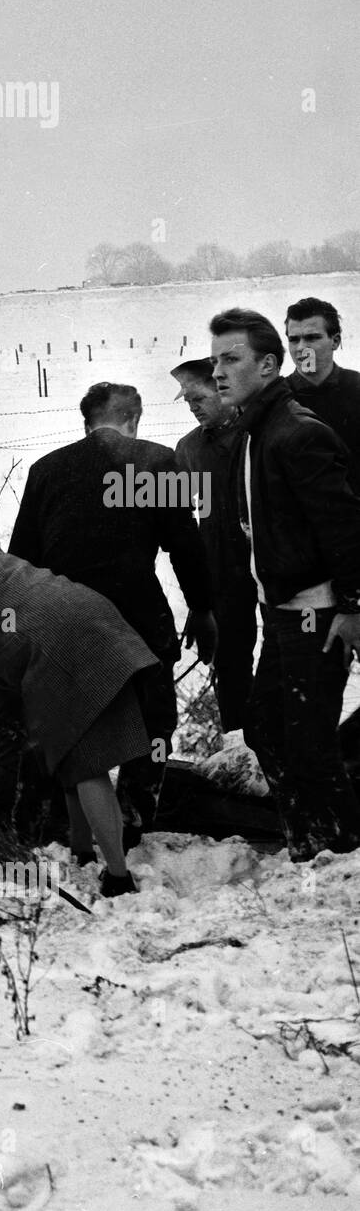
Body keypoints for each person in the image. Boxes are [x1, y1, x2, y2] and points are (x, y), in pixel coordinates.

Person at [8, 382, 216, 846]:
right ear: (134, 419)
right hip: (136, 618)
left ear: (85, 423)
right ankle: (132, 818)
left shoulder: (46, 470)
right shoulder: (159, 463)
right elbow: (186, 549)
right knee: (154, 721)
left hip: (65, 619)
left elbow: (22, 558)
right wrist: (202, 610)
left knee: (53, 721)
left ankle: (38, 824)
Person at [0, 522, 160, 896]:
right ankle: (83, 853)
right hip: (93, 623)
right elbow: (0, 632)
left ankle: (118, 877)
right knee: (75, 760)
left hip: (60, 646)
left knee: (87, 764)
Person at [210, 307, 360, 861]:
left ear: (270, 365)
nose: (218, 371)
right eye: (216, 359)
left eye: (232, 358)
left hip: (316, 613)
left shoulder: (296, 433)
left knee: (309, 738)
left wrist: (352, 606)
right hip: (281, 612)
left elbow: (345, 527)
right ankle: (307, 840)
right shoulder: (253, 431)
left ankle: (340, 851)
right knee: (267, 727)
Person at [172, 357, 258, 732]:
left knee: (286, 663)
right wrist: (199, 600)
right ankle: (238, 750)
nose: (193, 407)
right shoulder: (187, 449)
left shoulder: (255, 433)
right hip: (221, 575)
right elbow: (179, 520)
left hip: (272, 568)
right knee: (230, 667)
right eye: (187, 401)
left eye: (199, 398)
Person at [284, 297, 360, 489]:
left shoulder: (357, 386)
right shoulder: (276, 397)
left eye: (312, 338)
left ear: (335, 341)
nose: (301, 348)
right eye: (294, 340)